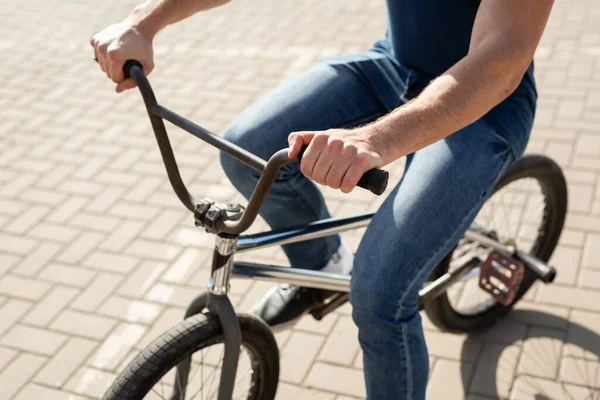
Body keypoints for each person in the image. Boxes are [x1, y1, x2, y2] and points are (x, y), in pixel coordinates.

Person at [91, 0, 554, 398]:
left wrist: (375, 140)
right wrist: (142, 23)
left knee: (379, 295)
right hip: (394, 67)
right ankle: (323, 265)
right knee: (246, 148)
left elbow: (503, 58)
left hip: (485, 108)